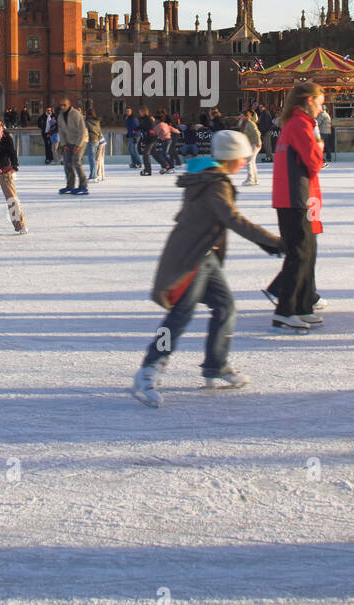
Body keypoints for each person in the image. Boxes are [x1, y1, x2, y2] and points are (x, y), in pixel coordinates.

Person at [131, 130, 283, 408]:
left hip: (206, 257)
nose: (244, 162)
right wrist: (273, 242)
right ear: (231, 157)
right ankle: (150, 368)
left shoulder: (209, 178)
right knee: (180, 315)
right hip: (192, 259)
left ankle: (216, 364)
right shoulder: (215, 184)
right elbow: (233, 219)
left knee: (225, 308)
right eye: (242, 157)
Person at [264, 81, 326, 334]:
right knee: (300, 253)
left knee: (306, 252)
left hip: (295, 196)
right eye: (320, 103)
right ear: (308, 100)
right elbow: (313, 163)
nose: (322, 109)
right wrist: (320, 148)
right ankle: (285, 310)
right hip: (295, 197)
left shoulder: (293, 124)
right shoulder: (300, 124)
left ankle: (302, 306)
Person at [57, 97, 89, 195]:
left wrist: (78, 146)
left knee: (76, 162)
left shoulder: (76, 114)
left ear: (69, 105)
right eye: (61, 105)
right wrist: (64, 145)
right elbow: (61, 132)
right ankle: (70, 185)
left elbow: (82, 131)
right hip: (69, 142)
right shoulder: (60, 116)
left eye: (64, 105)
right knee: (67, 163)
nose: (62, 107)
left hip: (81, 140)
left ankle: (83, 186)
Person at [85, 108, 106, 184]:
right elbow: (99, 131)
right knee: (94, 159)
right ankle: (94, 175)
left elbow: (85, 130)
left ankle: (93, 176)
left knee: (92, 159)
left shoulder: (87, 122)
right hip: (97, 140)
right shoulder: (97, 121)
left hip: (91, 140)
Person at [242, 109, 262, 184]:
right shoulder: (246, 123)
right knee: (252, 162)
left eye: (242, 116)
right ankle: (254, 179)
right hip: (252, 144)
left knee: (249, 161)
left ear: (246, 116)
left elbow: (257, 133)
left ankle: (250, 179)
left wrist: (258, 143)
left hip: (255, 144)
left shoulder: (250, 123)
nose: (241, 117)